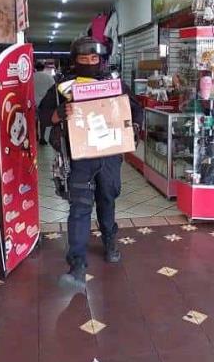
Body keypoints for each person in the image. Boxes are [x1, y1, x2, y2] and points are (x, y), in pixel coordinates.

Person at [39, 37, 143, 290]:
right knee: (80, 207)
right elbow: (42, 114)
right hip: (79, 157)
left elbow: (135, 110)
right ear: (74, 61)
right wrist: (58, 114)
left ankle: (109, 240)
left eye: (93, 59)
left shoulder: (114, 84)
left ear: (101, 60)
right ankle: (77, 263)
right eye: (83, 60)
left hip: (109, 156)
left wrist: (134, 128)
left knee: (107, 198)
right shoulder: (61, 87)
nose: (88, 63)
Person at [34, 61, 55, 145]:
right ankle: (43, 138)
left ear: (35, 68)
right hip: (45, 103)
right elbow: (53, 89)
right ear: (43, 68)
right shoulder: (49, 77)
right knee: (43, 121)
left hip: (33, 102)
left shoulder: (32, 77)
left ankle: (35, 136)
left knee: (33, 120)